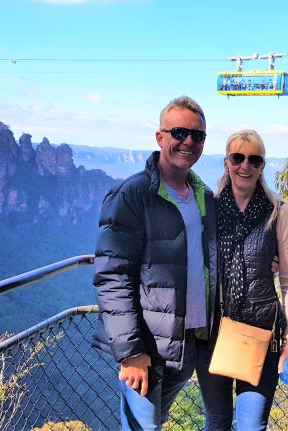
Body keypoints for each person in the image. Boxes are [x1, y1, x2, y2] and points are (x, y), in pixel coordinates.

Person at [93, 96, 217, 431]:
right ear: (160, 137)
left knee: (157, 422)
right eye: (179, 132)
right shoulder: (132, 194)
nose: (188, 141)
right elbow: (111, 275)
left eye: (198, 136)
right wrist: (130, 352)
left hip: (188, 340)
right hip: (147, 347)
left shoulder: (203, 194)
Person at [196, 129, 288, 431]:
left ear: (262, 166)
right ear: (227, 162)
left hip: (260, 333)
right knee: (216, 421)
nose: (246, 166)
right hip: (213, 331)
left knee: (251, 425)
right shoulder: (207, 209)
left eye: (254, 160)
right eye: (238, 158)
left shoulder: (278, 213)